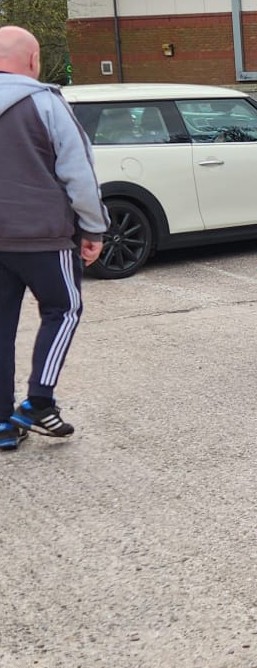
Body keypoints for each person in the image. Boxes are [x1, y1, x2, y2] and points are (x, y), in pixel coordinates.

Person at [0, 25, 106, 451]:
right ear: (32, 59)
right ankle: (38, 402)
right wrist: (93, 228)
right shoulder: (45, 102)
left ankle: (3, 425)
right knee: (64, 309)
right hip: (43, 236)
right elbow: (78, 171)